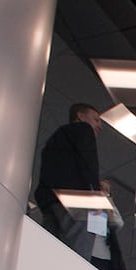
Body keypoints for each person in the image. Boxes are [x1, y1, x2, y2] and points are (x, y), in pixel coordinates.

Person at [32, 103, 101, 247]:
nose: (99, 126)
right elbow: (88, 163)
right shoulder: (84, 129)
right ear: (80, 116)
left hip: (51, 201)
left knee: (50, 249)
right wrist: (95, 195)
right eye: (96, 119)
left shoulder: (54, 139)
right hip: (77, 200)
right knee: (78, 254)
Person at [87, 179, 125, 270]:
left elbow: (118, 223)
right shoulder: (86, 202)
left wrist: (108, 208)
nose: (103, 191)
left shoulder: (110, 208)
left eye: (106, 190)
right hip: (87, 249)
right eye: (100, 187)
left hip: (104, 255)